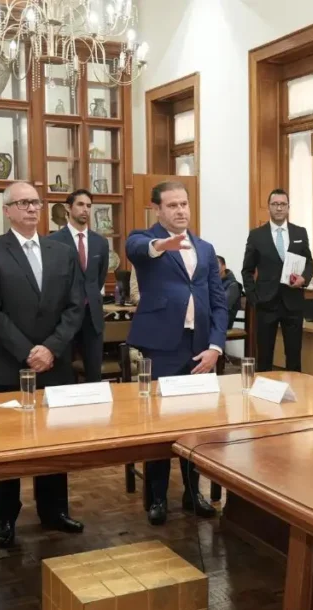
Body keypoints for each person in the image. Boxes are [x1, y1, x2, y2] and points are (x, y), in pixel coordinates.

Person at [0, 181, 86, 547]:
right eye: (22, 203)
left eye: (35, 202)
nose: (31, 209)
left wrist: (50, 349)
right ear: (6, 211)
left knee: (55, 444)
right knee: (8, 448)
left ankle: (55, 511)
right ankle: (5, 517)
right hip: (8, 364)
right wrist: (27, 352)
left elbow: (75, 306)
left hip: (55, 364)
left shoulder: (61, 252)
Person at [126, 181, 227, 525]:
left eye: (184, 204)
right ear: (157, 209)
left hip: (199, 349)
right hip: (161, 347)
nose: (181, 211)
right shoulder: (143, 239)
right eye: (172, 206)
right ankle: (156, 498)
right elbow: (139, 249)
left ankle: (191, 491)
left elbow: (217, 301)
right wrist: (161, 245)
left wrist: (215, 347)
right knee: (160, 425)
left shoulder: (206, 249)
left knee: (194, 425)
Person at [242, 189, 313, 371]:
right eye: (275, 204)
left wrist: (304, 279)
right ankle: (262, 394)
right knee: (265, 355)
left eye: (283, 204)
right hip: (266, 303)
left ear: (288, 207)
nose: (279, 208)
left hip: (293, 302)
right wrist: (253, 297)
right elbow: (247, 270)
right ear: (269, 208)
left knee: (294, 354)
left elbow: (310, 263)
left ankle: (295, 392)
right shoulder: (257, 235)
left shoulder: (300, 233)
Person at [46, 189, 110, 381]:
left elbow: (99, 277)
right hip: (64, 316)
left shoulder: (100, 242)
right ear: (68, 207)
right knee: (63, 372)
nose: (85, 210)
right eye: (80, 205)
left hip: (92, 316)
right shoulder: (52, 242)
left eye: (89, 206)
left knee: (94, 373)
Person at [217, 256, 243, 330]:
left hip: (222, 323)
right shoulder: (212, 282)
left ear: (224, 267)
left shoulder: (233, 285)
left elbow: (223, 305)